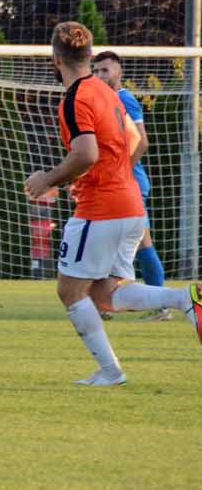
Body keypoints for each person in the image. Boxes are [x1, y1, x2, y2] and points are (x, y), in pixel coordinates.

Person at [21, 22, 201, 385]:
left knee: (69, 291)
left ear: (56, 59)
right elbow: (136, 140)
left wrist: (47, 179)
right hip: (130, 204)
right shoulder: (107, 92)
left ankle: (110, 371)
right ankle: (186, 299)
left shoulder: (75, 98)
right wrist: (117, 173)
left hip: (99, 209)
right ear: (90, 56)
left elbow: (85, 153)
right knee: (105, 295)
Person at [92, 51, 171, 320]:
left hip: (130, 185)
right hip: (121, 184)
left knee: (131, 244)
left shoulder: (124, 99)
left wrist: (120, 172)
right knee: (122, 243)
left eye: (106, 70)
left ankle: (160, 305)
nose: (101, 76)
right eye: (97, 71)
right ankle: (105, 303)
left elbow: (142, 141)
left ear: (119, 72)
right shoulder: (106, 101)